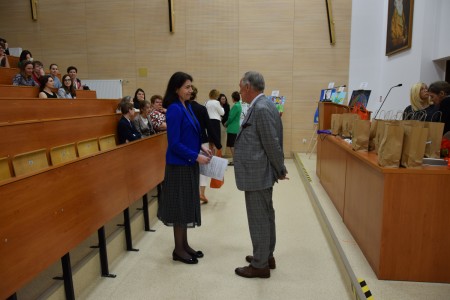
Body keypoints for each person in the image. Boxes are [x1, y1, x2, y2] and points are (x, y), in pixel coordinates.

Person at [234, 71, 288, 279]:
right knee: (265, 216)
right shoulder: (262, 105)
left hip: (258, 174)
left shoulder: (261, 108)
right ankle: (266, 256)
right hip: (258, 172)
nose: (239, 91)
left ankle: (260, 265)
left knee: (259, 219)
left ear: (248, 87)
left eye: (240, 87)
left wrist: (280, 168)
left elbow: (271, 143)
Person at [157, 72, 212, 265]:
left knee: (186, 204)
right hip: (179, 165)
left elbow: (191, 135)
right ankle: (178, 249)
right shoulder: (174, 109)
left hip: (188, 163)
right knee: (180, 207)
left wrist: (201, 147)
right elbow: (174, 143)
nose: (191, 90)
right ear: (176, 89)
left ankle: (184, 244)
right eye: (187, 87)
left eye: (191, 86)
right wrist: (196, 156)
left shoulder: (185, 107)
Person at [189, 85, 219, 204]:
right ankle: (201, 193)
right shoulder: (201, 108)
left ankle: (192, 193)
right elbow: (209, 127)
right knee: (204, 168)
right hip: (202, 140)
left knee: (190, 167)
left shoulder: (184, 108)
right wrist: (217, 143)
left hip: (188, 142)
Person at [225, 91, 242, 166]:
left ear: (233, 98)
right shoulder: (239, 105)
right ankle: (235, 160)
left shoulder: (236, 106)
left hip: (232, 128)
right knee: (233, 145)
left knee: (232, 145)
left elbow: (231, 117)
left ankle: (235, 161)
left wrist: (226, 123)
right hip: (235, 128)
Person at [205, 89, 224, 154]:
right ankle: (215, 156)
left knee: (210, 140)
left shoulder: (206, 102)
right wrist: (222, 107)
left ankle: (210, 155)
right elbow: (222, 113)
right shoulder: (217, 102)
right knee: (216, 139)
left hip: (208, 121)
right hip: (215, 122)